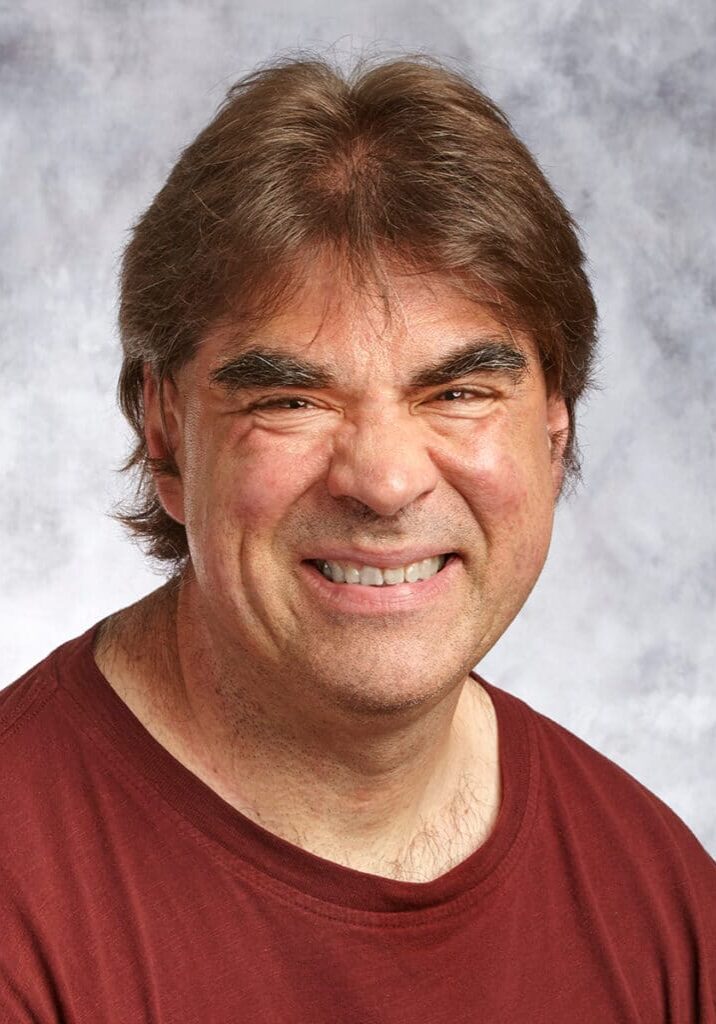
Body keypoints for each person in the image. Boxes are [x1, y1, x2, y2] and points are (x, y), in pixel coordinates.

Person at [1, 52, 714, 1023]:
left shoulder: (660, 905)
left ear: (554, 428)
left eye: (457, 391)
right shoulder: (21, 890)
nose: (382, 481)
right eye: (291, 398)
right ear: (163, 435)